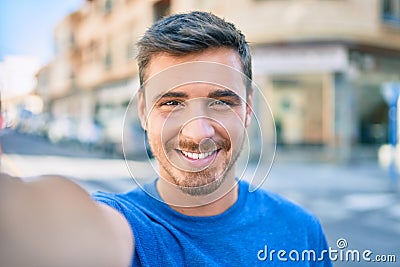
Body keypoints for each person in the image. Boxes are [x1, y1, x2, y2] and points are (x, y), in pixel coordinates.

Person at [0, 11, 332, 267]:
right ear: (143, 111)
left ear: (247, 111)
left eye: (221, 102)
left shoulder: (302, 232)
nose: (198, 132)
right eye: (172, 103)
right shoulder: (126, 225)